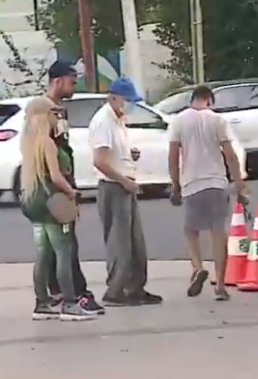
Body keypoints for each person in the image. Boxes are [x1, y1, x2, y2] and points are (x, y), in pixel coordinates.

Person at [168, 85, 248, 300]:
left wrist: (175, 184)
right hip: (217, 183)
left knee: (191, 231)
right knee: (218, 233)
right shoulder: (217, 120)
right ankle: (220, 286)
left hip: (191, 184)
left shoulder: (178, 121)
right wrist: (239, 184)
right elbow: (230, 155)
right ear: (209, 101)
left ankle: (198, 267)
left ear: (192, 100)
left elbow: (173, 156)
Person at [20, 96, 96, 321]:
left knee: (42, 253)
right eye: (54, 113)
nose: (57, 117)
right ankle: (70, 304)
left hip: (34, 200)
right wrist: (72, 193)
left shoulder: (27, 143)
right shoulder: (48, 143)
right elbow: (56, 176)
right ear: (45, 116)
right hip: (53, 201)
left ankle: (41, 302)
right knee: (64, 251)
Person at [89, 77, 161, 307]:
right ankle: (116, 290)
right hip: (114, 186)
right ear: (113, 97)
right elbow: (100, 161)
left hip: (125, 183)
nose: (129, 105)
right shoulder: (104, 121)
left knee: (134, 241)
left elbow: (114, 154)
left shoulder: (119, 120)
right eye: (126, 100)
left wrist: (130, 155)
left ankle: (135, 287)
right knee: (119, 242)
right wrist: (123, 181)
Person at [42, 61, 104, 315]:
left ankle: (55, 293)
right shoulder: (44, 112)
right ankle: (77, 294)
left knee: (54, 245)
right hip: (54, 187)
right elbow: (47, 154)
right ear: (57, 81)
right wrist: (64, 187)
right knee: (66, 244)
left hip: (63, 183)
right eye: (72, 81)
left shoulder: (59, 111)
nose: (74, 86)